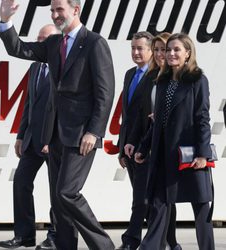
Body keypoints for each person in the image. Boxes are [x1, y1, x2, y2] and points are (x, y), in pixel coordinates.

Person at [0, 0, 115, 249]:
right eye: (52, 10)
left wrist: (94, 131)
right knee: (58, 198)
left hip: (81, 135)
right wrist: (6, 22)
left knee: (66, 193)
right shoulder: (53, 43)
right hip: (54, 135)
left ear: (76, 10)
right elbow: (19, 49)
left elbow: (105, 93)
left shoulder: (94, 43)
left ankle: (104, 245)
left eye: (59, 9)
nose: (55, 15)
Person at [134, 33, 215, 250]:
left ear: (188, 53)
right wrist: (144, 147)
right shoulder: (162, 81)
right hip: (163, 154)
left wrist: (202, 153)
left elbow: (202, 119)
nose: (170, 53)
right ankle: (150, 247)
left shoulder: (198, 80)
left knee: (200, 207)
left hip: (189, 153)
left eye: (176, 49)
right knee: (159, 204)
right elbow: (158, 121)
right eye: (168, 50)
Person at [0, 24, 58, 250]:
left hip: (52, 142)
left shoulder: (63, 68)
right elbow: (29, 103)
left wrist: (52, 139)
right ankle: (24, 235)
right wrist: (21, 135)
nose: (39, 43)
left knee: (57, 191)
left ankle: (55, 235)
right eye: (38, 38)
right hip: (32, 140)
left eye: (44, 39)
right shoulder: (35, 68)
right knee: (21, 182)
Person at [125, 33, 182, 250]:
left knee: (164, 197)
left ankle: (167, 242)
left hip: (169, 146)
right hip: (149, 144)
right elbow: (140, 115)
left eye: (164, 49)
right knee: (148, 196)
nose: (160, 54)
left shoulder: (179, 78)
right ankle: (159, 242)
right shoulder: (151, 78)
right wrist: (132, 143)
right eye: (157, 49)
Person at [117, 31, 153, 250]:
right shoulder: (130, 74)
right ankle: (166, 239)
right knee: (142, 197)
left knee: (141, 198)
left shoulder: (156, 76)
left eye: (140, 48)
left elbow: (147, 117)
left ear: (151, 50)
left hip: (146, 147)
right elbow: (127, 114)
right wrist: (122, 148)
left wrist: (143, 146)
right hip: (129, 148)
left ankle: (131, 240)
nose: (136, 52)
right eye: (133, 48)